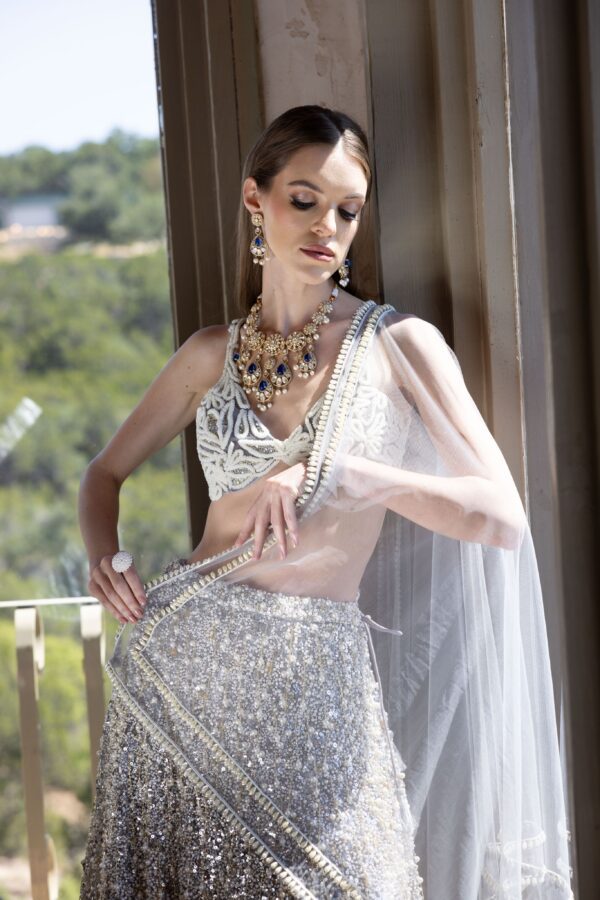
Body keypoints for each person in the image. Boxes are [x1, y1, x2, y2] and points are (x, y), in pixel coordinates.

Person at [78, 105, 573, 899]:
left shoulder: (397, 344)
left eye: (347, 210)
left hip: (317, 685)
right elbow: (102, 475)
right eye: (304, 200)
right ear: (255, 201)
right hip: (178, 672)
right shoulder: (212, 353)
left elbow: (500, 517)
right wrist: (105, 558)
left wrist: (343, 475)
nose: (328, 227)